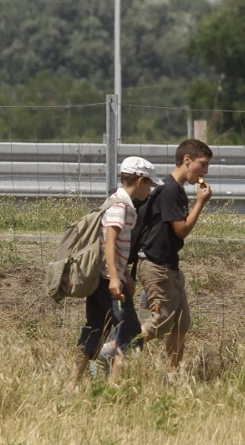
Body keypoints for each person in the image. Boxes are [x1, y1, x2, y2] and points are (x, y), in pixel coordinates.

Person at [67, 156, 161, 389]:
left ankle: (72, 384)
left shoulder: (115, 200)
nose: (149, 189)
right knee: (129, 334)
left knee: (94, 330)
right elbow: (109, 242)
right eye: (149, 184)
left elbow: (114, 245)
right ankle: (114, 388)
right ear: (139, 181)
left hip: (103, 278)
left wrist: (123, 272)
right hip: (110, 282)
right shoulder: (121, 206)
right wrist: (116, 278)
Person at [135, 139, 212, 375]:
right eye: (203, 164)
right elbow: (181, 230)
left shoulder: (176, 191)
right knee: (161, 320)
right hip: (156, 268)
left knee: (180, 324)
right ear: (187, 160)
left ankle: (172, 375)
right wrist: (200, 203)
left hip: (169, 267)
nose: (205, 171)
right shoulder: (169, 190)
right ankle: (114, 348)